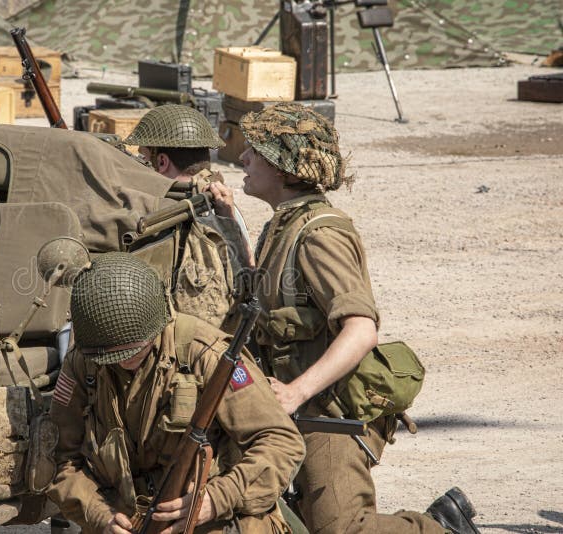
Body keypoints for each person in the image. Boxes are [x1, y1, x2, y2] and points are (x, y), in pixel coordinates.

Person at [222, 102, 480, 534]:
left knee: (341, 530)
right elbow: (263, 300)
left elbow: (361, 330)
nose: (242, 158)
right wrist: (228, 218)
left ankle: (441, 529)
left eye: (255, 151)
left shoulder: (320, 234)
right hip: (306, 410)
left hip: (332, 415)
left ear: (285, 168)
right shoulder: (282, 225)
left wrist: (292, 392)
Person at [47, 252, 304, 534]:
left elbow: (282, 442)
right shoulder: (83, 361)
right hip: (124, 520)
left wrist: (217, 499)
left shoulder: (206, 355)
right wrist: (99, 515)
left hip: (213, 516)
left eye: (134, 349)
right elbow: (62, 459)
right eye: (110, 356)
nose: (123, 361)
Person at [124, 104, 254, 271]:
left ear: (162, 162)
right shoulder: (223, 202)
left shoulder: (165, 210)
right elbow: (248, 265)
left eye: (143, 156)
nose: (141, 164)